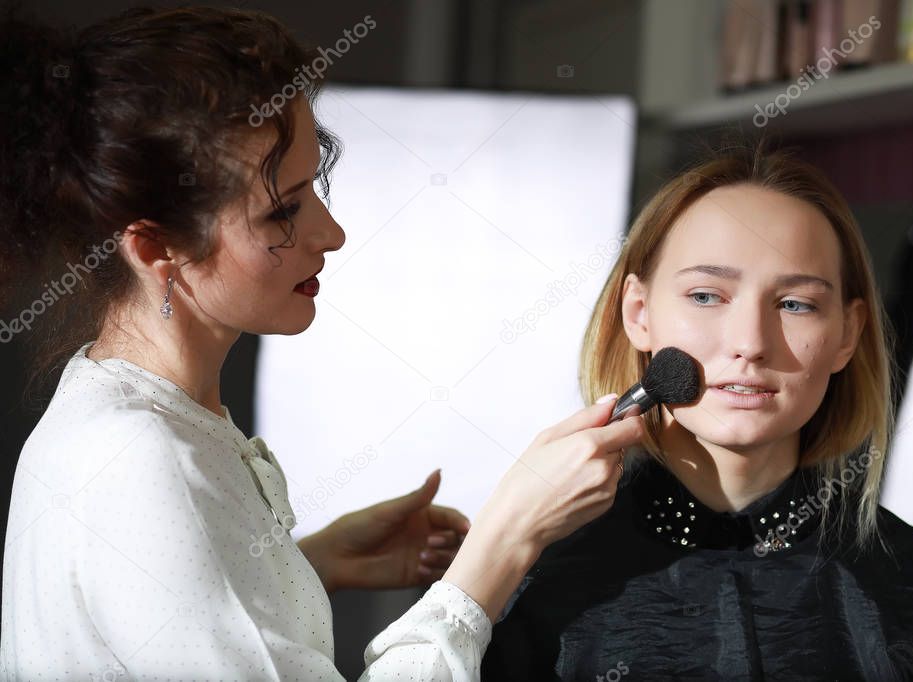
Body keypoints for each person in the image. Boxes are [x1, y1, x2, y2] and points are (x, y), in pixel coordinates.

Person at [0, 6, 645, 680]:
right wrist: (505, 541)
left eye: (314, 191)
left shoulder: (130, 412)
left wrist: (307, 564)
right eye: (282, 210)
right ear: (154, 247)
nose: (330, 233)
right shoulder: (138, 457)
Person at [481, 147, 913, 681]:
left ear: (847, 335)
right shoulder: (520, 587)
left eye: (795, 304)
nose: (750, 343)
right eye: (707, 295)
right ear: (639, 314)